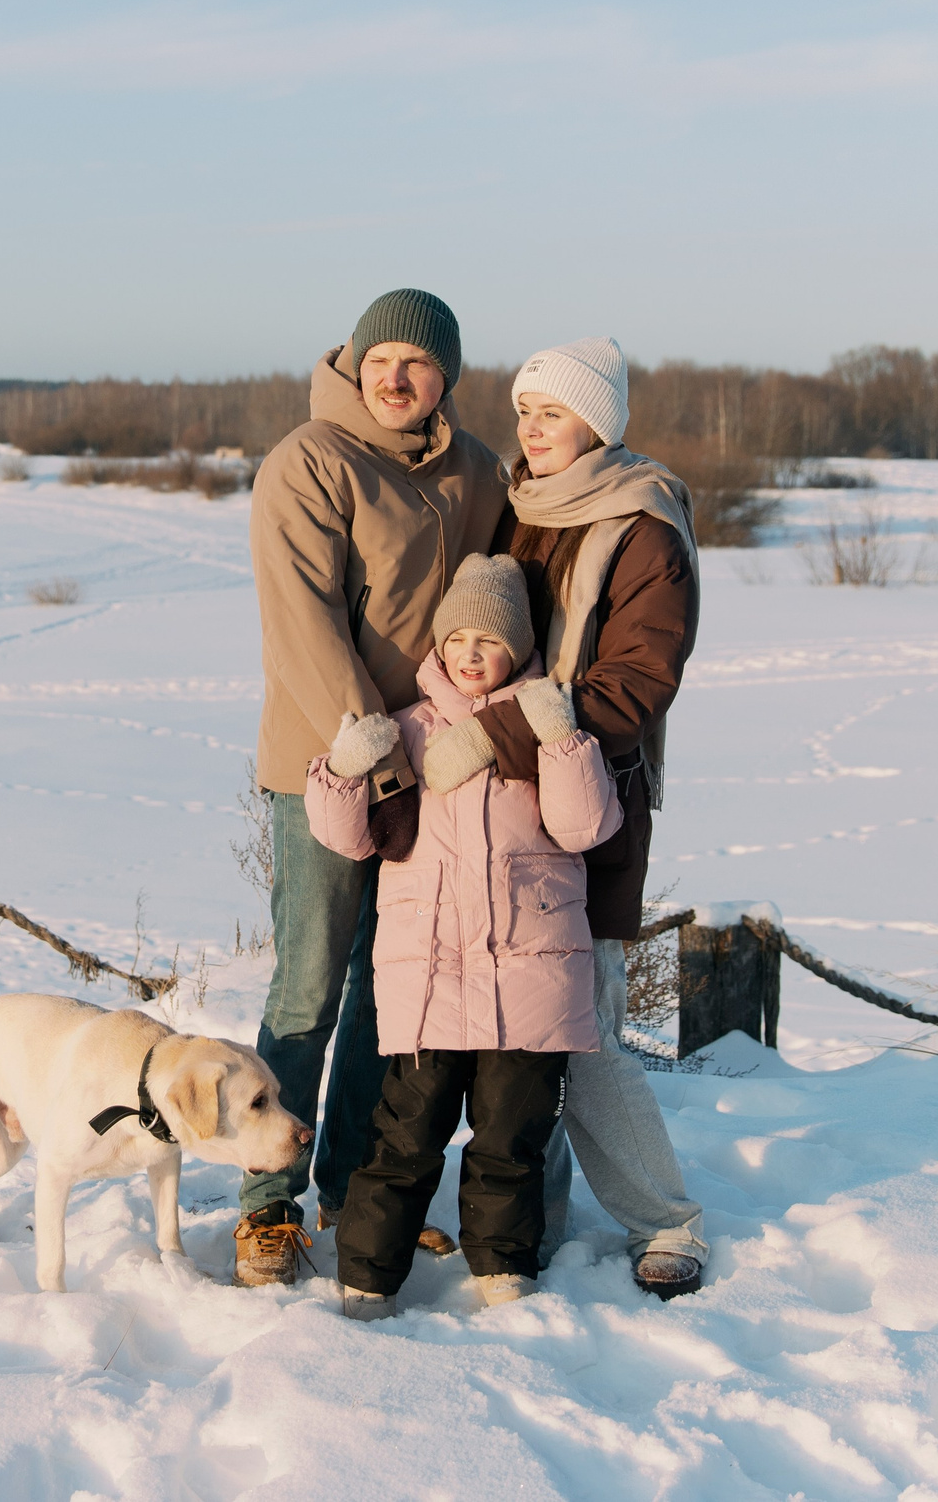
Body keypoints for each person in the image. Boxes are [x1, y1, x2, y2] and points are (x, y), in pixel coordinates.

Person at [235, 289, 511, 1287]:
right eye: (381, 359)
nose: (397, 378)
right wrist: (375, 752)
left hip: (434, 773)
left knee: (393, 997)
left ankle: (355, 1190)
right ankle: (268, 1206)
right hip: (330, 768)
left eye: (420, 364)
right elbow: (303, 625)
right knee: (309, 985)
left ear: (447, 377)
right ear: (354, 364)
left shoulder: (477, 470)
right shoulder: (307, 461)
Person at [427, 335, 709, 1301]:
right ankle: (530, 1223)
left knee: (579, 1033)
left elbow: (633, 685)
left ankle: (667, 1220)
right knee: (515, 1033)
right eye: (523, 412)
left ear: (600, 424)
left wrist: (492, 737)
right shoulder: (519, 515)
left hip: (591, 806)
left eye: (551, 412)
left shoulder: (644, 531)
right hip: (499, 816)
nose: (530, 429)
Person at [302, 555, 622, 1313]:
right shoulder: (407, 731)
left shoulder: (541, 727)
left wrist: (563, 742)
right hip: (430, 983)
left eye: (490, 640)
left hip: (528, 982)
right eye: (459, 638)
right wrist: (342, 770)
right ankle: (367, 1279)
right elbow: (350, 838)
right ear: (439, 644)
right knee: (405, 1141)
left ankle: (504, 1271)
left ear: (519, 649)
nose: (471, 653)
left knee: (508, 1141)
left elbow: (587, 825)